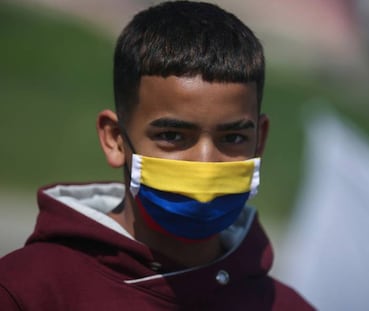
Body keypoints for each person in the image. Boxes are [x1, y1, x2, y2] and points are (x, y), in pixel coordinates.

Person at [0, 1, 314, 310]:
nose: (205, 163)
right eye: (172, 136)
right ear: (115, 139)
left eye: (232, 138)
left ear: (259, 141)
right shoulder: (25, 291)